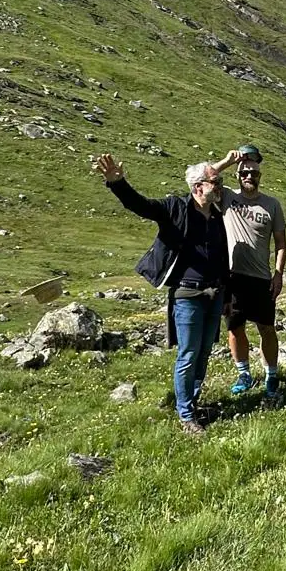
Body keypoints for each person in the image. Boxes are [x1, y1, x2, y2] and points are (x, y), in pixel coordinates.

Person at [94, 153, 227, 435]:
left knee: (204, 353)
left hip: (215, 294)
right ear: (198, 186)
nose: (220, 186)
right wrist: (117, 183)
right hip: (187, 295)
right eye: (216, 181)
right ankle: (186, 416)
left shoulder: (216, 216)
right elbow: (141, 206)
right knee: (189, 354)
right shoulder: (175, 208)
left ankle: (193, 401)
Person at [210, 145, 286, 400]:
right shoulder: (227, 198)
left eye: (253, 173)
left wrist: (278, 274)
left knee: (266, 328)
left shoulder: (271, 205)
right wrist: (227, 161)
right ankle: (244, 373)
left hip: (261, 278)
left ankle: (271, 375)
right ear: (237, 176)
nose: (249, 177)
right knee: (235, 328)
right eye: (244, 173)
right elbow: (204, 178)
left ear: (259, 176)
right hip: (233, 277)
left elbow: (281, 244)